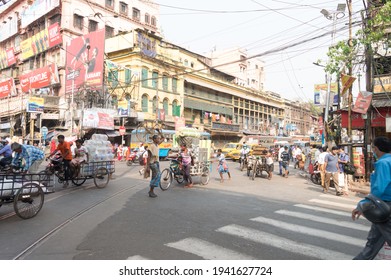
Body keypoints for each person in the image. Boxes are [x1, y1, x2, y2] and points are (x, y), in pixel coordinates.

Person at [352, 136, 391, 260]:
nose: (373, 151)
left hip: (384, 207)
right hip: (384, 207)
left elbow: (379, 189)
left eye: (374, 148)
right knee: (373, 242)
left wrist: (363, 204)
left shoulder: (382, 163)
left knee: (373, 242)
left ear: (377, 148)